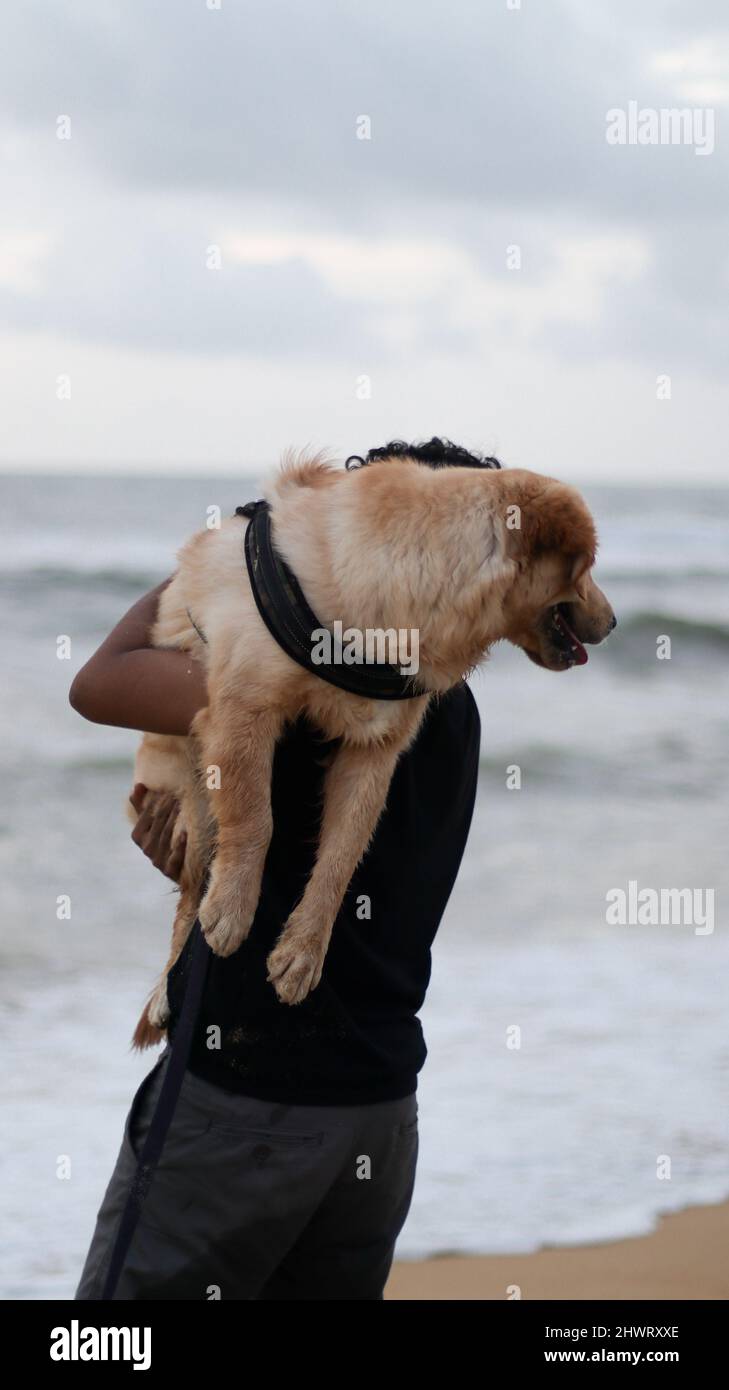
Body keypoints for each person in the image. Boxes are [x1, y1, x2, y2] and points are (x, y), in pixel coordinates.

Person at [71, 440, 488, 1300]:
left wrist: (239, 552)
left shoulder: (286, 684)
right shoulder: (452, 706)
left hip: (241, 1107)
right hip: (377, 1114)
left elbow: (99, 680)